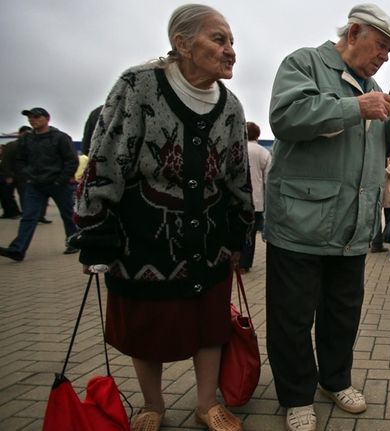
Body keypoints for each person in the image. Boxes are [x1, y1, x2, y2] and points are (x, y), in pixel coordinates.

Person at [69, 5, 252, 431]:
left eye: (231, 42)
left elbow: (238, 176)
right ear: (182, 43)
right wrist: (94, 231)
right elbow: (105, 158)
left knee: (210, 325)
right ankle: (153, 405)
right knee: (145, 323)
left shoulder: (231, 105)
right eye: (219, 39)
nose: (230, 51)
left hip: (208, 238)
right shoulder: (138, 86)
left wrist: (242, 231)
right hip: (143, 237)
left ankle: (207, 404)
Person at [265, 4, 390, 431]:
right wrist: (356, 108)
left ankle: (335, 381)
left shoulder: (370, 86)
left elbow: (373, 149)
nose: (384, 57)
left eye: (389, 52)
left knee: (342, 313)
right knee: (292, 318)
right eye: (380, 46)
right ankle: (296, 396)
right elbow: (287, 117)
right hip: (301, 222)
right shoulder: (304, 63)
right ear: (353, 32)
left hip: (351, 226)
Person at [0, 108, 78, 261]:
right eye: (30, 117)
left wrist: (61, 179)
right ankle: (17, 249)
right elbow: (20, 160)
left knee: (68, 215)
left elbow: (71, 160)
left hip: (58, 184)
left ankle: (73, 242)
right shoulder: (26, 139)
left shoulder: (60, 138)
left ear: (47, 118)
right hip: (35, 185)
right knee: (28, 216)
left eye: (36, 117)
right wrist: (27, 176)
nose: (32, 120)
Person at [239, 121, 271, 273]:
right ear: (257, 135)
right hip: (256, 201)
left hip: (236, 199)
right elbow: (268, 179)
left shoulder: (237, 148)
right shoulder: (263, 152)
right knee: (250, 235)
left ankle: (232, 261)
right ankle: (244, 264)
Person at [0, 126, 30, 219]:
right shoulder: (11, 145)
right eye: (25, 133)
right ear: (20, 134)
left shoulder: (31, 146)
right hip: (12, 174)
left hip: (24, 175)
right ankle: (11, 212)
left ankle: (26, 214)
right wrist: (8, 175)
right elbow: (6, 161)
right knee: (7, 195)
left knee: (25, 195)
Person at [369, 154, 390, 252]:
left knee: (376, 218)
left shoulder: (373, 162)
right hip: (386, 194)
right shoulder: (386, 165)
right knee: (387, 218)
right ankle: (378, 243)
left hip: (378, 194)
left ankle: (376, 242)